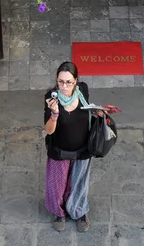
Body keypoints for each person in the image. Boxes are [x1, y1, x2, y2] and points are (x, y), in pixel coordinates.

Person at [44, 61, 93, 232]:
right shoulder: (51, 97)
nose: (64, 86)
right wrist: (55, 114)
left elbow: (88, 112)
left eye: (68, 82)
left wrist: (98, 112)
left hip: (83, 148)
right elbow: (49, 131)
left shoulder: (83, 90)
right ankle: (59, 212)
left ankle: (79, 211)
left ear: (76, 81)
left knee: (79, 182)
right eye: (60, 82)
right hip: (59, 150)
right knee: (57, 185)